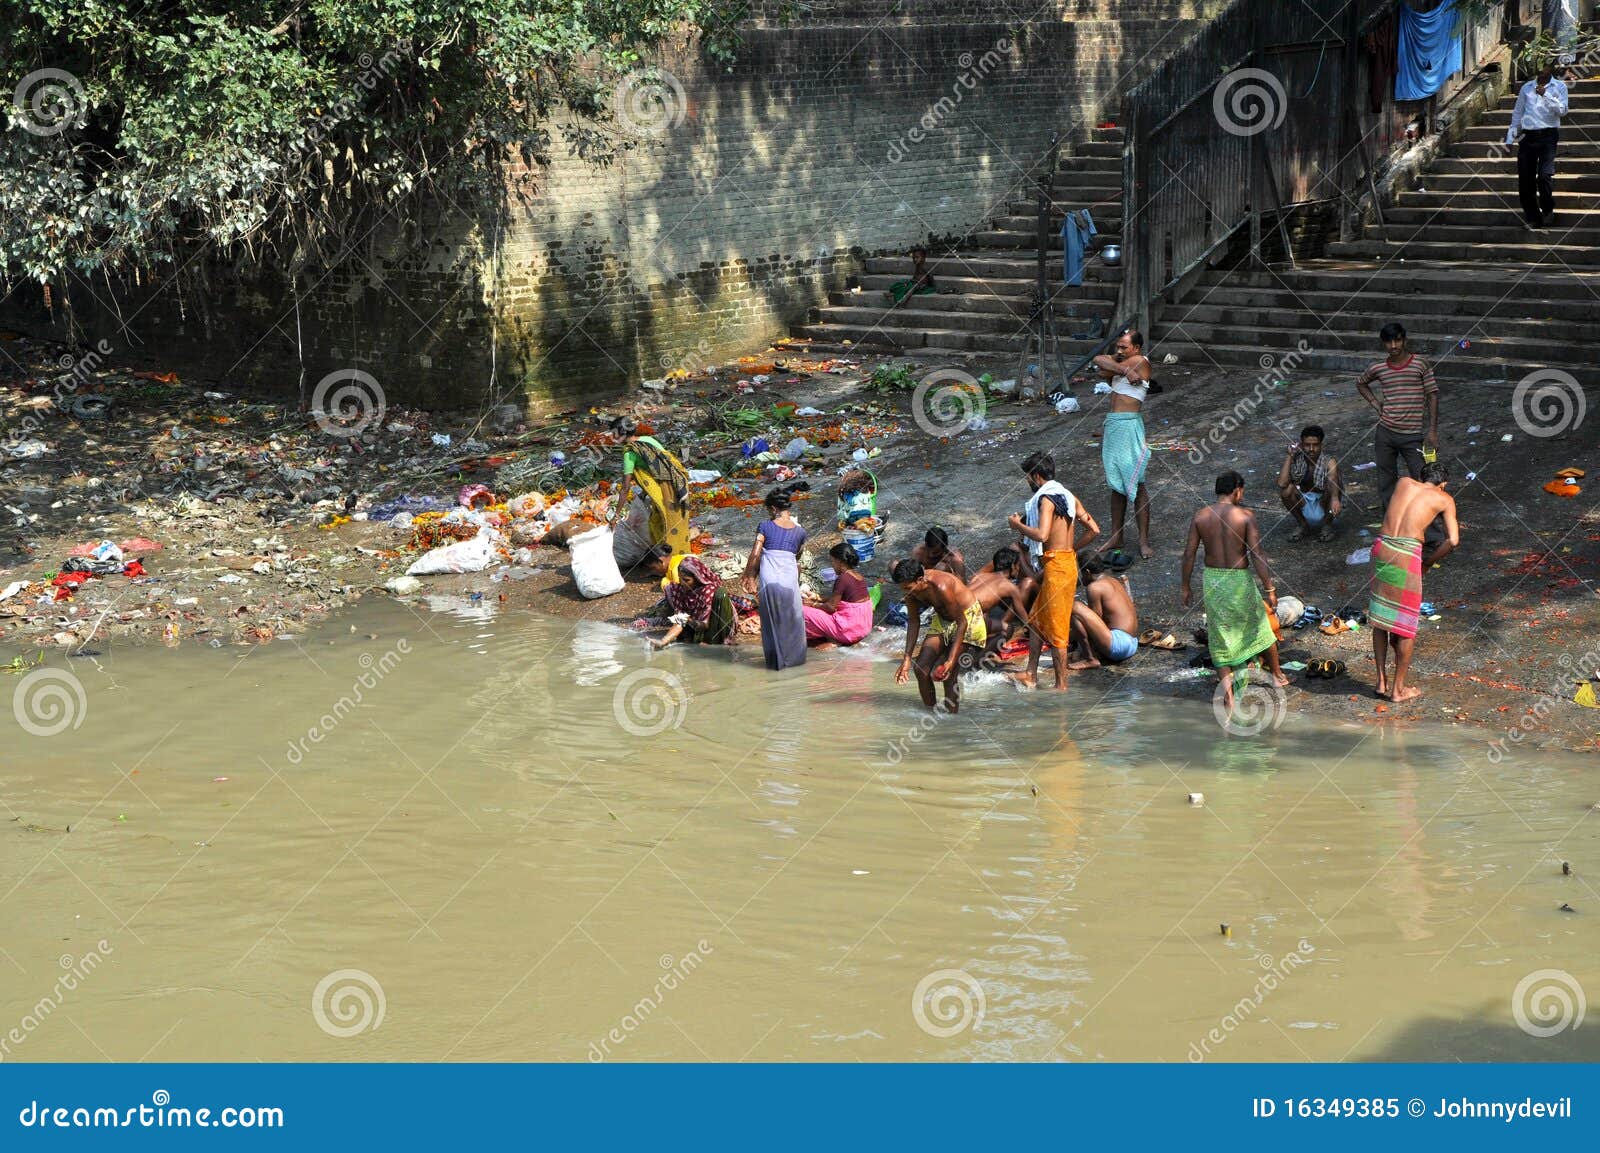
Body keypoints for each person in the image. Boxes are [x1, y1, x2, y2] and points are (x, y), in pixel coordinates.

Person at [1181, 471, 1289, 712]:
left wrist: (1185, 586)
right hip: (1239, 580)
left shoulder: (1201, 516)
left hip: (1213, 581)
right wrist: (1269, 588)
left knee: (1219, 636)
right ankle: (1279, 674)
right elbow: (1257, 554)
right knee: (1261, 627)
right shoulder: (1245, 516)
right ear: (1237, 490)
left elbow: (1189, 554)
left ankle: (1228, 695)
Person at [1007, 451, 1100, 690]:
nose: (1028, 482)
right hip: (1064, 562)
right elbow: (1094, 530)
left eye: (1028, 477)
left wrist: (1017, 525)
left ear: (1036, 476)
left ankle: (1062, 686)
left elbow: (1042, 535)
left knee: (1058, 628)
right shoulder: (1069, 496)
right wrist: (1070, 548)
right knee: (1037, 620)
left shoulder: (1046, 499)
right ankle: (1031, 674)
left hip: (1058, 566)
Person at [1369, 462, 1460, 703]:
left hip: (1382, 546)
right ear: (1443, 484)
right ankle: (1398, 690)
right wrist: (1429, 562)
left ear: (1420, 477)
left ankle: (1380, 681)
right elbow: (1453, 540)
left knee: (1380, 618)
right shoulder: (1445, 498)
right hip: (1406, 555)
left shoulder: (1403, 482)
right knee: (1405, 626)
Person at [1355, 323, 1439, 509]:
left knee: (1423, 478)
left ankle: (1430, 529)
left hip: (1413, 435)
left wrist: (1432, 431)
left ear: (1404, 340)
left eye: (1397, 340)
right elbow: (1361, 383)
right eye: (1388, 342)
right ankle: (1391, 522)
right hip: (1385, 432)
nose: (1393, 346)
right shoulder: (1379, 368)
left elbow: (1432, 395)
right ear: (1383, 344)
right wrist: (1376, 405)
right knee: (1386, 481)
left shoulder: (1420, 364)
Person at [1092, 329, 1154, 561]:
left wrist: (1119, 366)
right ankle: (1116, 536)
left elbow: (1104, 366)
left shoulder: (1141, 361)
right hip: (1114, 426)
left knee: (1136, 484)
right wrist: (1123, 369)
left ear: (1136, 349)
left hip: (1128, 426)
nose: (1119, 350)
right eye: (1117, 346)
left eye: (1124, 347)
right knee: (1116, 485)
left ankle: (1143, 541)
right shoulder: (1126, 365)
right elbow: (1099, 362)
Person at [893, 558, 983, 713]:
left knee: (948, 674)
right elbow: (914, 621)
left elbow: (962, 622)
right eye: (903, 589)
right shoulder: (910, 593)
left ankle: (952, 719)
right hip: (943, 619)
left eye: (908, 588)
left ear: (920, 580)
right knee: (920, 669)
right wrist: (907, 659)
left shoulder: (941, 585)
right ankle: (930, 714)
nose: (906, 593)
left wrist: (950, 660)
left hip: (968, 617)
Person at [611, 417, 692, 563]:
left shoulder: (629, 453)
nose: (612, 437)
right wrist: (643, 493)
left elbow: (625, 488)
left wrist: (616, 515)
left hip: (667, 490)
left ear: (622, 433)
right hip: (678, 484)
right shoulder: (649, 440)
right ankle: (683, 559)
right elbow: (660, 466)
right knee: (677, 524)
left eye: (614, 434)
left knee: (664, 524)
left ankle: (671, 563)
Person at [741, 489, 807, 670]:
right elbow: (798, 556)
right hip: (790, 579)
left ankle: (775, 664)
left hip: (770, 578)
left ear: (772, 508)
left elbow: (755, 553)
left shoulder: (765, 525)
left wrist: (749, 576)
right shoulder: (801, 531)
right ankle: (795, 662)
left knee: (772, 621)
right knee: (792, 620)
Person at [1506, 63, 1569, 229]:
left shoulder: (1559, 87)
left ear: (1551, 68)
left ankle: (1547, 209)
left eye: (1545, 66)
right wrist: (1509, 139)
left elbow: (1563, 111)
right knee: (1525, 180)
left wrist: (1546, 95)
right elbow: (1518, 114)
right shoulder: (1527, 88)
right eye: (1538, 65)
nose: (1541, 69)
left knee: (1544, 176)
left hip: (1548, 136)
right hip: (1528, 136)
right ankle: (1532, 217)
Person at [1068, 556, 1140, 670]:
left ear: (1087, 572)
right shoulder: (1113, 580)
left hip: (1119, 645)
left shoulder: (1094, 587)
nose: (1081, 578)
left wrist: (1069, 639)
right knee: (1080, 613)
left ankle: (1090, 659)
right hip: (1133, 643)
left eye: (1081, 574)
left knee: (1075, 607)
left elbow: (1093, 624)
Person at [966, 547, 1036, 663]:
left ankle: (978, 648)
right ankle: (978, 661)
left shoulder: (979, 577)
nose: (1019, 570)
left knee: (986, 618)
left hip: (957, 619)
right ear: (1013, 566)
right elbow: (1025, 619)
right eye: (1018, 566)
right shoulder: (1009, 587)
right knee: (1008, 629)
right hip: (972, 625)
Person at [652, 556, 737, 649]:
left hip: (713, 625)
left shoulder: (709, 591)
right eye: (680, 579)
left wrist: (688, 619)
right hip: (695, 625)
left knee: (721, 593)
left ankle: (713, 640)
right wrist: (662, 641)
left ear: (697, 578)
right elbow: (679, 622)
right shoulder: (680, 590)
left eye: (686, 580)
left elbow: (704, 624)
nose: (682, 583)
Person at [1276, 424, 1343, 542]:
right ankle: (1303, 525)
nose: (1311, 449)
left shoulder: (1329, 460)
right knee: (1286, 490)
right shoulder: (1297, 458)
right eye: (1307, 445)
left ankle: (1327, 525)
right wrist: (1290, 456)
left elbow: (1333, 479)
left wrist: (1335, 498)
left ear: (1321, 445)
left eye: (1315, 445)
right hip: (1304, 501)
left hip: (1324, 503)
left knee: (1335, 483)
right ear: (1301, 445)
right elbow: (1282, 483)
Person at [802, 542, 874, 647]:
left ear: (839, 562)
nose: (832, 565)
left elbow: (831, 607)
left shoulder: (843, 579)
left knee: (803, 611)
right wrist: (817, 597)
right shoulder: (858, 576)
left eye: (832, 561)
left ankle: (830, 637)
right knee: (819, 610)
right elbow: (842, 601)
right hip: (863, 628)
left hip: (849, 630)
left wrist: (812, 605)